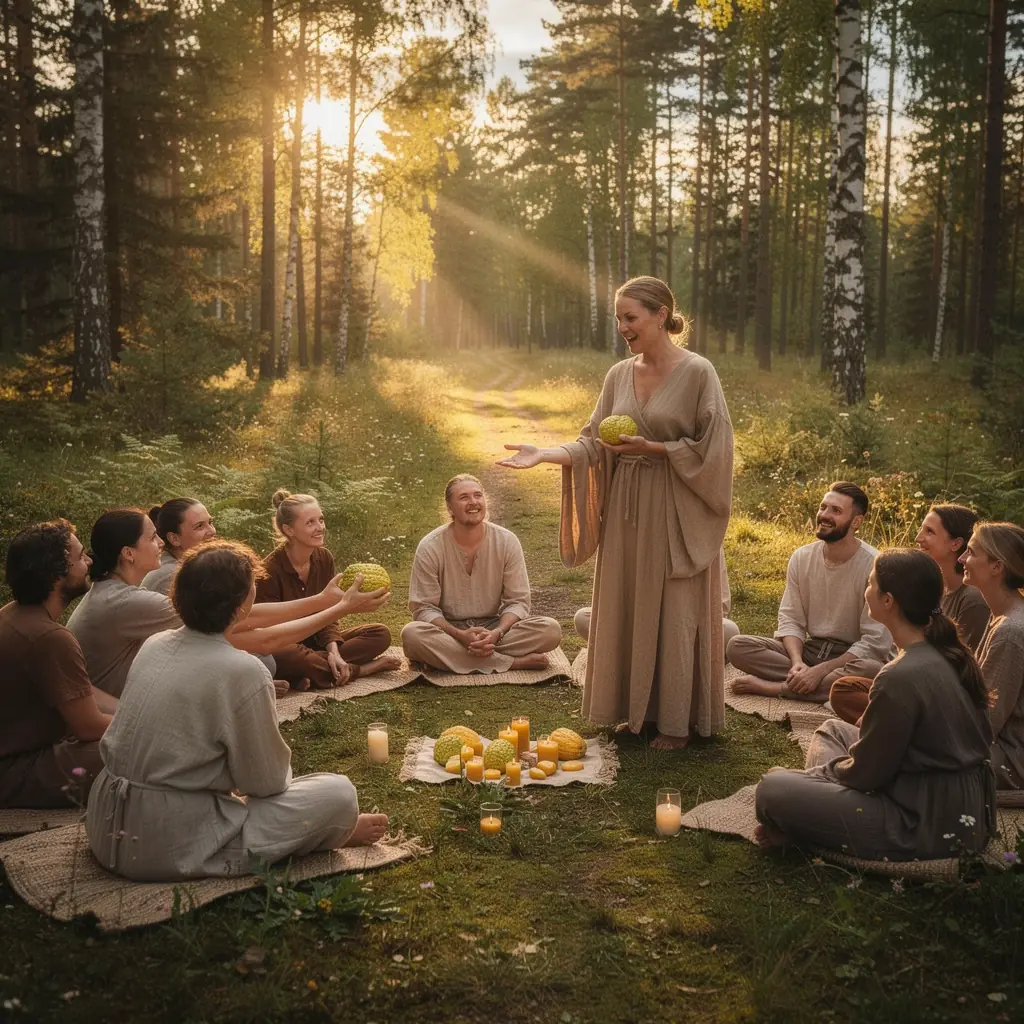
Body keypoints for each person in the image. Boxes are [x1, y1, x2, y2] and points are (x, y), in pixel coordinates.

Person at [498, 277, 733, 749]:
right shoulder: (617, 375)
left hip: (675, 504)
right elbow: (592, 441)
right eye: (618, 319)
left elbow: (716, 447)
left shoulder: (698, 372)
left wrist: (658, 448)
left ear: (660, 314)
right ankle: (634, 711)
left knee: (675, 605)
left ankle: (673, 722)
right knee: (627, 601)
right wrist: (545, 452)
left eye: (631, 317)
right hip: (627, 509)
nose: (623, 327)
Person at [86, 541, 388, 882]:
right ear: (242, 604)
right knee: (338, 794)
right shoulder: (244, 670)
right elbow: (265, 783)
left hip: (106, 823)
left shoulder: (155, 644)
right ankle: (332, 828)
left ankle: (316, 827)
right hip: (169, 842)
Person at [754, 549, 994, 861]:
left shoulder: (900, 675)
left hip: (923, 820)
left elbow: (866, 776)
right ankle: (813, 816)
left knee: (772, 788)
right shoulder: (951, 654)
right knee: (832, 730)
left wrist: (816, 779)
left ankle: (804, 827)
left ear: (888, 601)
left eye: (870, 584)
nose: (865, 591)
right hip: (963, 805)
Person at [68, 508, 377, 698]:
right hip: (118, 704)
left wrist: (324, 600)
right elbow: (256, 631)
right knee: (253, 666)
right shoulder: (128, 602)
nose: (160, 542)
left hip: (135, 692)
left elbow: (247, 616)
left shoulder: (120, 594)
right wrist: (338, 607)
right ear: (128, 553)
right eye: (152, 538)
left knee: (257, 662)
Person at [727, 483, 891, 703]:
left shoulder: (875, 564)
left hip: (851, 657)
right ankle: (806, 680)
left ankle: (777, 688)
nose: (824, 515)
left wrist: (822, 670)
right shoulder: (802, 557)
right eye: (823, 507)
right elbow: (791, 618)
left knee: (872, 669)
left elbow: (875, 641)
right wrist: (797, 662)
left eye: (836, 511)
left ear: (856, 522)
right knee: (738, 646)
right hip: (810, 650)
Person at [830, 503, 990, 724]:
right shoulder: (932, 587)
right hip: (912, 675)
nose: (918, 538)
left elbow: (963, 672)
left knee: (872, 686)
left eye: (929, 532)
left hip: (938, 694)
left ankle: (892, 723)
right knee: (844, 689)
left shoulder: (971, 599)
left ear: (956, 543)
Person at [1, 521, 117, 808]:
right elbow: (88, 727)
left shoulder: (12, 613)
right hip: (15, 772)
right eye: (80, 557)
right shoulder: (50, 637)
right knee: (139, 749)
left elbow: (81, 692)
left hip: (22, 757)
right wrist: (147, 727)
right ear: (56, 575)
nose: (89, 561)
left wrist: (135, 711)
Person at [401, 475, 562, 673]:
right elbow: (423, 608)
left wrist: (497, 632)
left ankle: (451, 658)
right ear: (450, 508)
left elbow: (518, 602)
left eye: (478, 495)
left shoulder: (506, 541)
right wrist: (460, 635)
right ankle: (512, 663)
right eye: (464, 497)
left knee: (550, 630)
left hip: (494, 629)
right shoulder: (430, 546)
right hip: (448, 630)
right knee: (412, 635)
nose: (473, 502)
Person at [257, 490, 400, 690]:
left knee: (379, 634)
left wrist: (333, 650)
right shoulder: (268, 571)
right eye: (310, 523)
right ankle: (361, 670)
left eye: (321, 520)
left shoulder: (324, 558)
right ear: (289, 530)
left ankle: (313, 672)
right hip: (285, 643)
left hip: (316, 641)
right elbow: (271, 634)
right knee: (291, 655)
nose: (320, 528)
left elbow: (328, 614)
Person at [573, 552, 739, 656]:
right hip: (639, 626)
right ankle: (648, 657)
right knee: (583, 617)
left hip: (686, 628)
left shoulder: (706, 539)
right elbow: (617, 601)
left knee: (730, 631)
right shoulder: (640, 537)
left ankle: (649, 656)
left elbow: (721, 606)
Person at [961, 522, 1024, 792]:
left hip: (1009, 759)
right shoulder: (1000, 615)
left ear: (997, 567)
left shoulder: (1011, 631)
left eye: (972, 552)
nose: (962, 558)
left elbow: (985, 721)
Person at [141, 498, 217, 596]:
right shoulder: (171, 577)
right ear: (174, 538)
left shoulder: (190, 568)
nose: (212, 531)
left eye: (210, 522)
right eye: (199, 526)